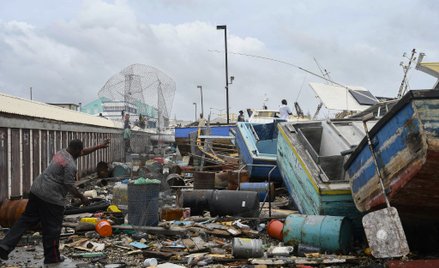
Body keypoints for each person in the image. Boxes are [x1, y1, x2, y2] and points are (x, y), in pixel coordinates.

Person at [0, 139, 110, 264]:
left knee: (25, 220)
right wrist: (82, 197)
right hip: (51, 198)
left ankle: (5, 246)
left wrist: (99, 146)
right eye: (80, 151)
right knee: (52, 228)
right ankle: (52, 257)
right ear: (75, 150)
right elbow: (69, 185)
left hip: (37, 190)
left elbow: (83, 151)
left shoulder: (62, 152)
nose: (81, 153)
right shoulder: (70, 165)